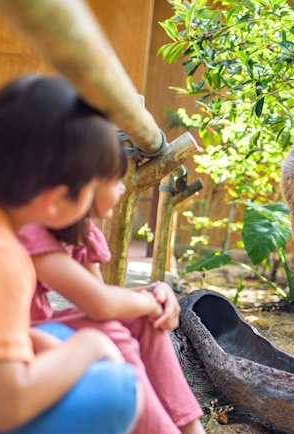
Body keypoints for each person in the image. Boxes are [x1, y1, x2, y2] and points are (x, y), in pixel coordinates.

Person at [0, 75, 144, 434]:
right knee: (118, 388)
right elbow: (6, 408)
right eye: (91, 187)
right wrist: (90, 344)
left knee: (54, 334)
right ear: (57, 200)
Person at [17, 148, 205, 434]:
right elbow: (100, 306)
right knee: (115, 329)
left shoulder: (78, 229)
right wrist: (148, 300)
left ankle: (191, 428)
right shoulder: (35, 229)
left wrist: (156, 291)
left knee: (143, 319)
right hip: (17, 336)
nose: (122, 188)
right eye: (116, 180)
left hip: (44, 326)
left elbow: (100, 297)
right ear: (87, 183)